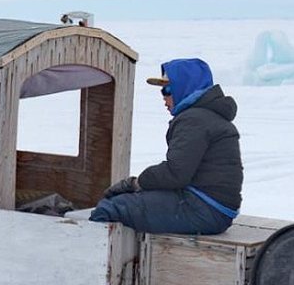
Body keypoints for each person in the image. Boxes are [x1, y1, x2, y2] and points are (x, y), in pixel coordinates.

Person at [89, 57, 242, 234]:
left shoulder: (194, 120)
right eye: (162, 91)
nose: (164, 98)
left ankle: (87, 259)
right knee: (131, 203)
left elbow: (176, 173)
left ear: (185, 88)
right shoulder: (206, 117)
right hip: (211, 206)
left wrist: (136, 183)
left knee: (111, 208)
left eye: (168, 90)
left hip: (203, 208)